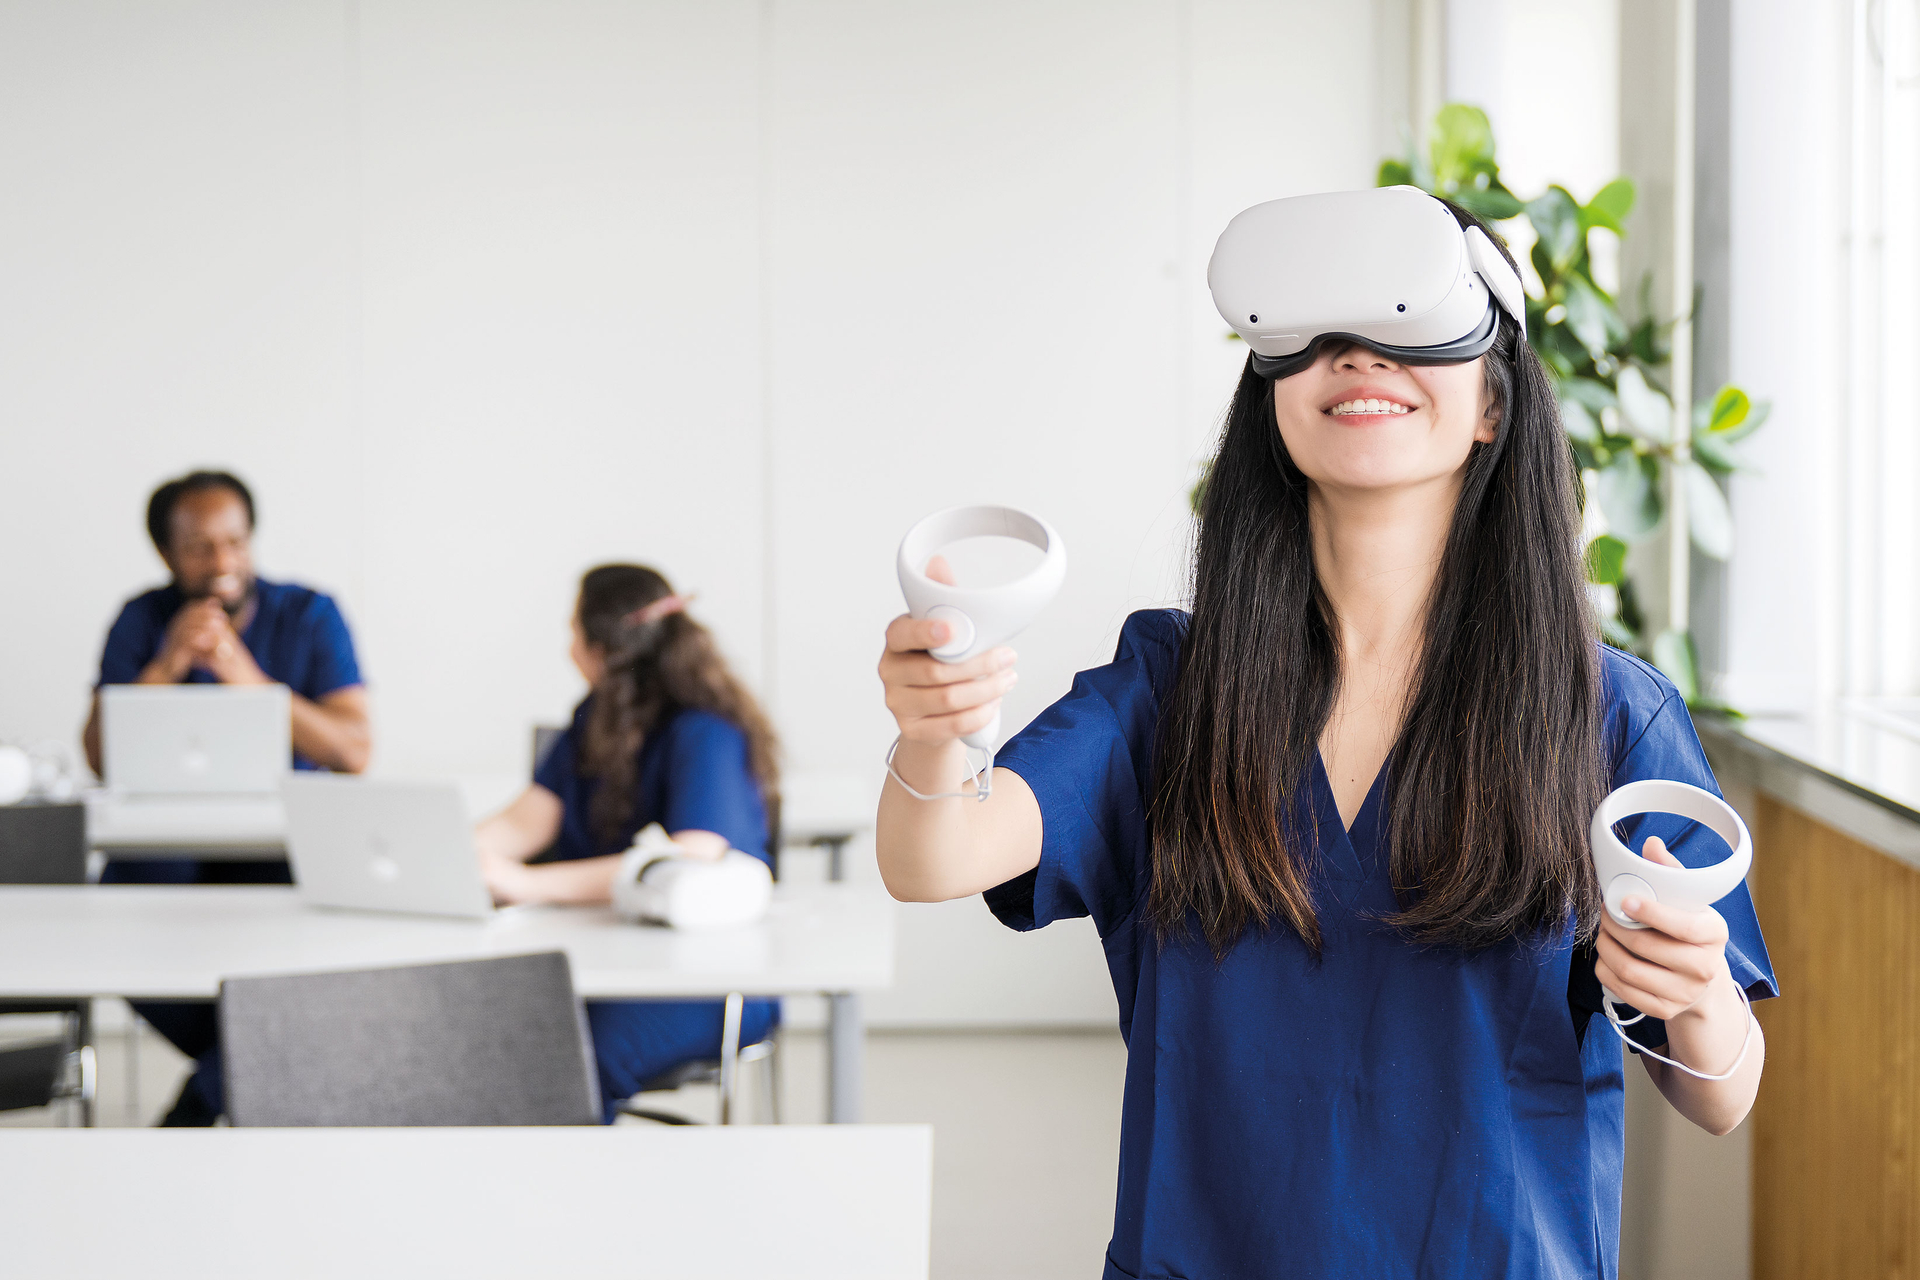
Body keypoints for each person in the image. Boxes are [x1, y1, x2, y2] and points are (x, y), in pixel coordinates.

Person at [875, 200, 1776, 1278]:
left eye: (1409, 320)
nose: (1358, 352)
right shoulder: (1171, 689)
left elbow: (1721, 1092)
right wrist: (937, 731)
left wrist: (1694, 992)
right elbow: (933, 855)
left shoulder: (1608, 713)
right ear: (1270, 402)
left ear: (1493, 403)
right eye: (1314, 333)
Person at [85, 468, 369, 1126]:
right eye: (200, 547)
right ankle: (252, 1070)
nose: (222, 563)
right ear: (166, 553)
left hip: (280, 848)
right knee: (117, 923)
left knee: (314, 955)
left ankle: (202, 1102)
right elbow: (100, 755)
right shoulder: (141, 618)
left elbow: (353, 751)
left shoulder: (309, 612)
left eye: (235, 542)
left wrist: (249, 680)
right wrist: (166, 667)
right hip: (166, 849)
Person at [475, 564, 780, 1123]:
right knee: (486, 1032)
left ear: (602, 646)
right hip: (602, 955)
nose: (568, 649)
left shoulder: (704, 731)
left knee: (565, 1059)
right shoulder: (595, 717)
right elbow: (528, 821)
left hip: (709, 980)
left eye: (573, 632)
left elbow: (693, 855)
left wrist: (525, 882)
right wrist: (458, 851)